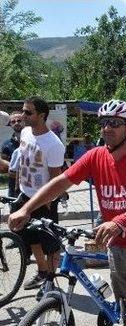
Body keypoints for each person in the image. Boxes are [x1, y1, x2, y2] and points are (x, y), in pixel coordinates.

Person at [9, 99, 126, 326]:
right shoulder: (95, 156)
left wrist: (119, 221)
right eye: (103, 123)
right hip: (118, 243)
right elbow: (61, 182)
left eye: (114, 123)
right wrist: (26, 208)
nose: (107, 128)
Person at [13, 96, 65, 290]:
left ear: (42, 115)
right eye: (23, 110)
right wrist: (19, 182)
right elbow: (22, 159)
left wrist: (49, 201)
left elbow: (55, 178)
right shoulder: (26, 132)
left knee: (50, 244)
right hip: (26, 195)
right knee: (31, 237)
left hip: (44, 200)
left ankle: (50, 282)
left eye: (28, 112)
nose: (23, 115)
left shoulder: (53, 144)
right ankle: (42, 272)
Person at [2, 112, 24, 198]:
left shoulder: (33, 140)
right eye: (13, 121)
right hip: (14, 188)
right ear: (10, 125)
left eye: (19, 120)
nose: (16, 123)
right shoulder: (6, 144)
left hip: (32, 187)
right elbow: (3, 168)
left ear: (24, 122)